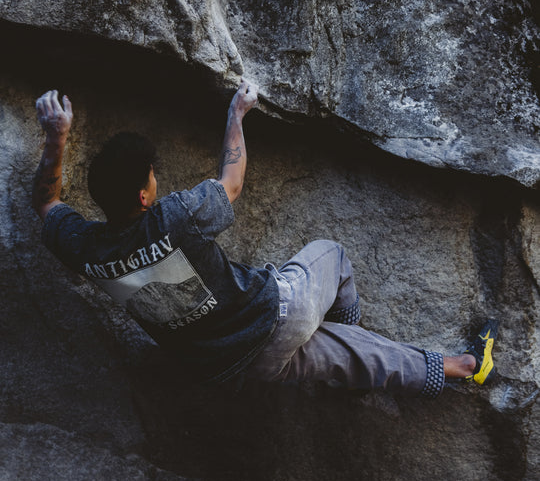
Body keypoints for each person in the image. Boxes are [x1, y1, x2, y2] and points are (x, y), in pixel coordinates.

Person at [32, 82, 497, 398]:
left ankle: (462, 366)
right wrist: (237, 115)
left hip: (227, 370)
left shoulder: (86, 248)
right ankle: (349, 323)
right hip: (274, 317)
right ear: (143, 194)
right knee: (331, 256)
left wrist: (57, 139)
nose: (157, 181)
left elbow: (46, 203)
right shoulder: (174, 217)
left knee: (355, 360)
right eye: (153, 177)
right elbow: (231, 182)